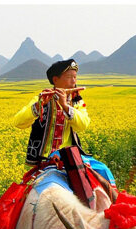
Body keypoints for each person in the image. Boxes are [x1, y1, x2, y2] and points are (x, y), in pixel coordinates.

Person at [12, 59, 116, 187]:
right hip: (46, 158)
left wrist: (66, 106)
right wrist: (38, 107)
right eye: (69, 77)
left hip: (70, 156)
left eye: (75, 77)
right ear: (55, 80)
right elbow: (18, 122)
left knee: (103, 170)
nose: (74, 81)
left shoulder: (76, 101)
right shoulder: (40, 99)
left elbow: (83, 124)